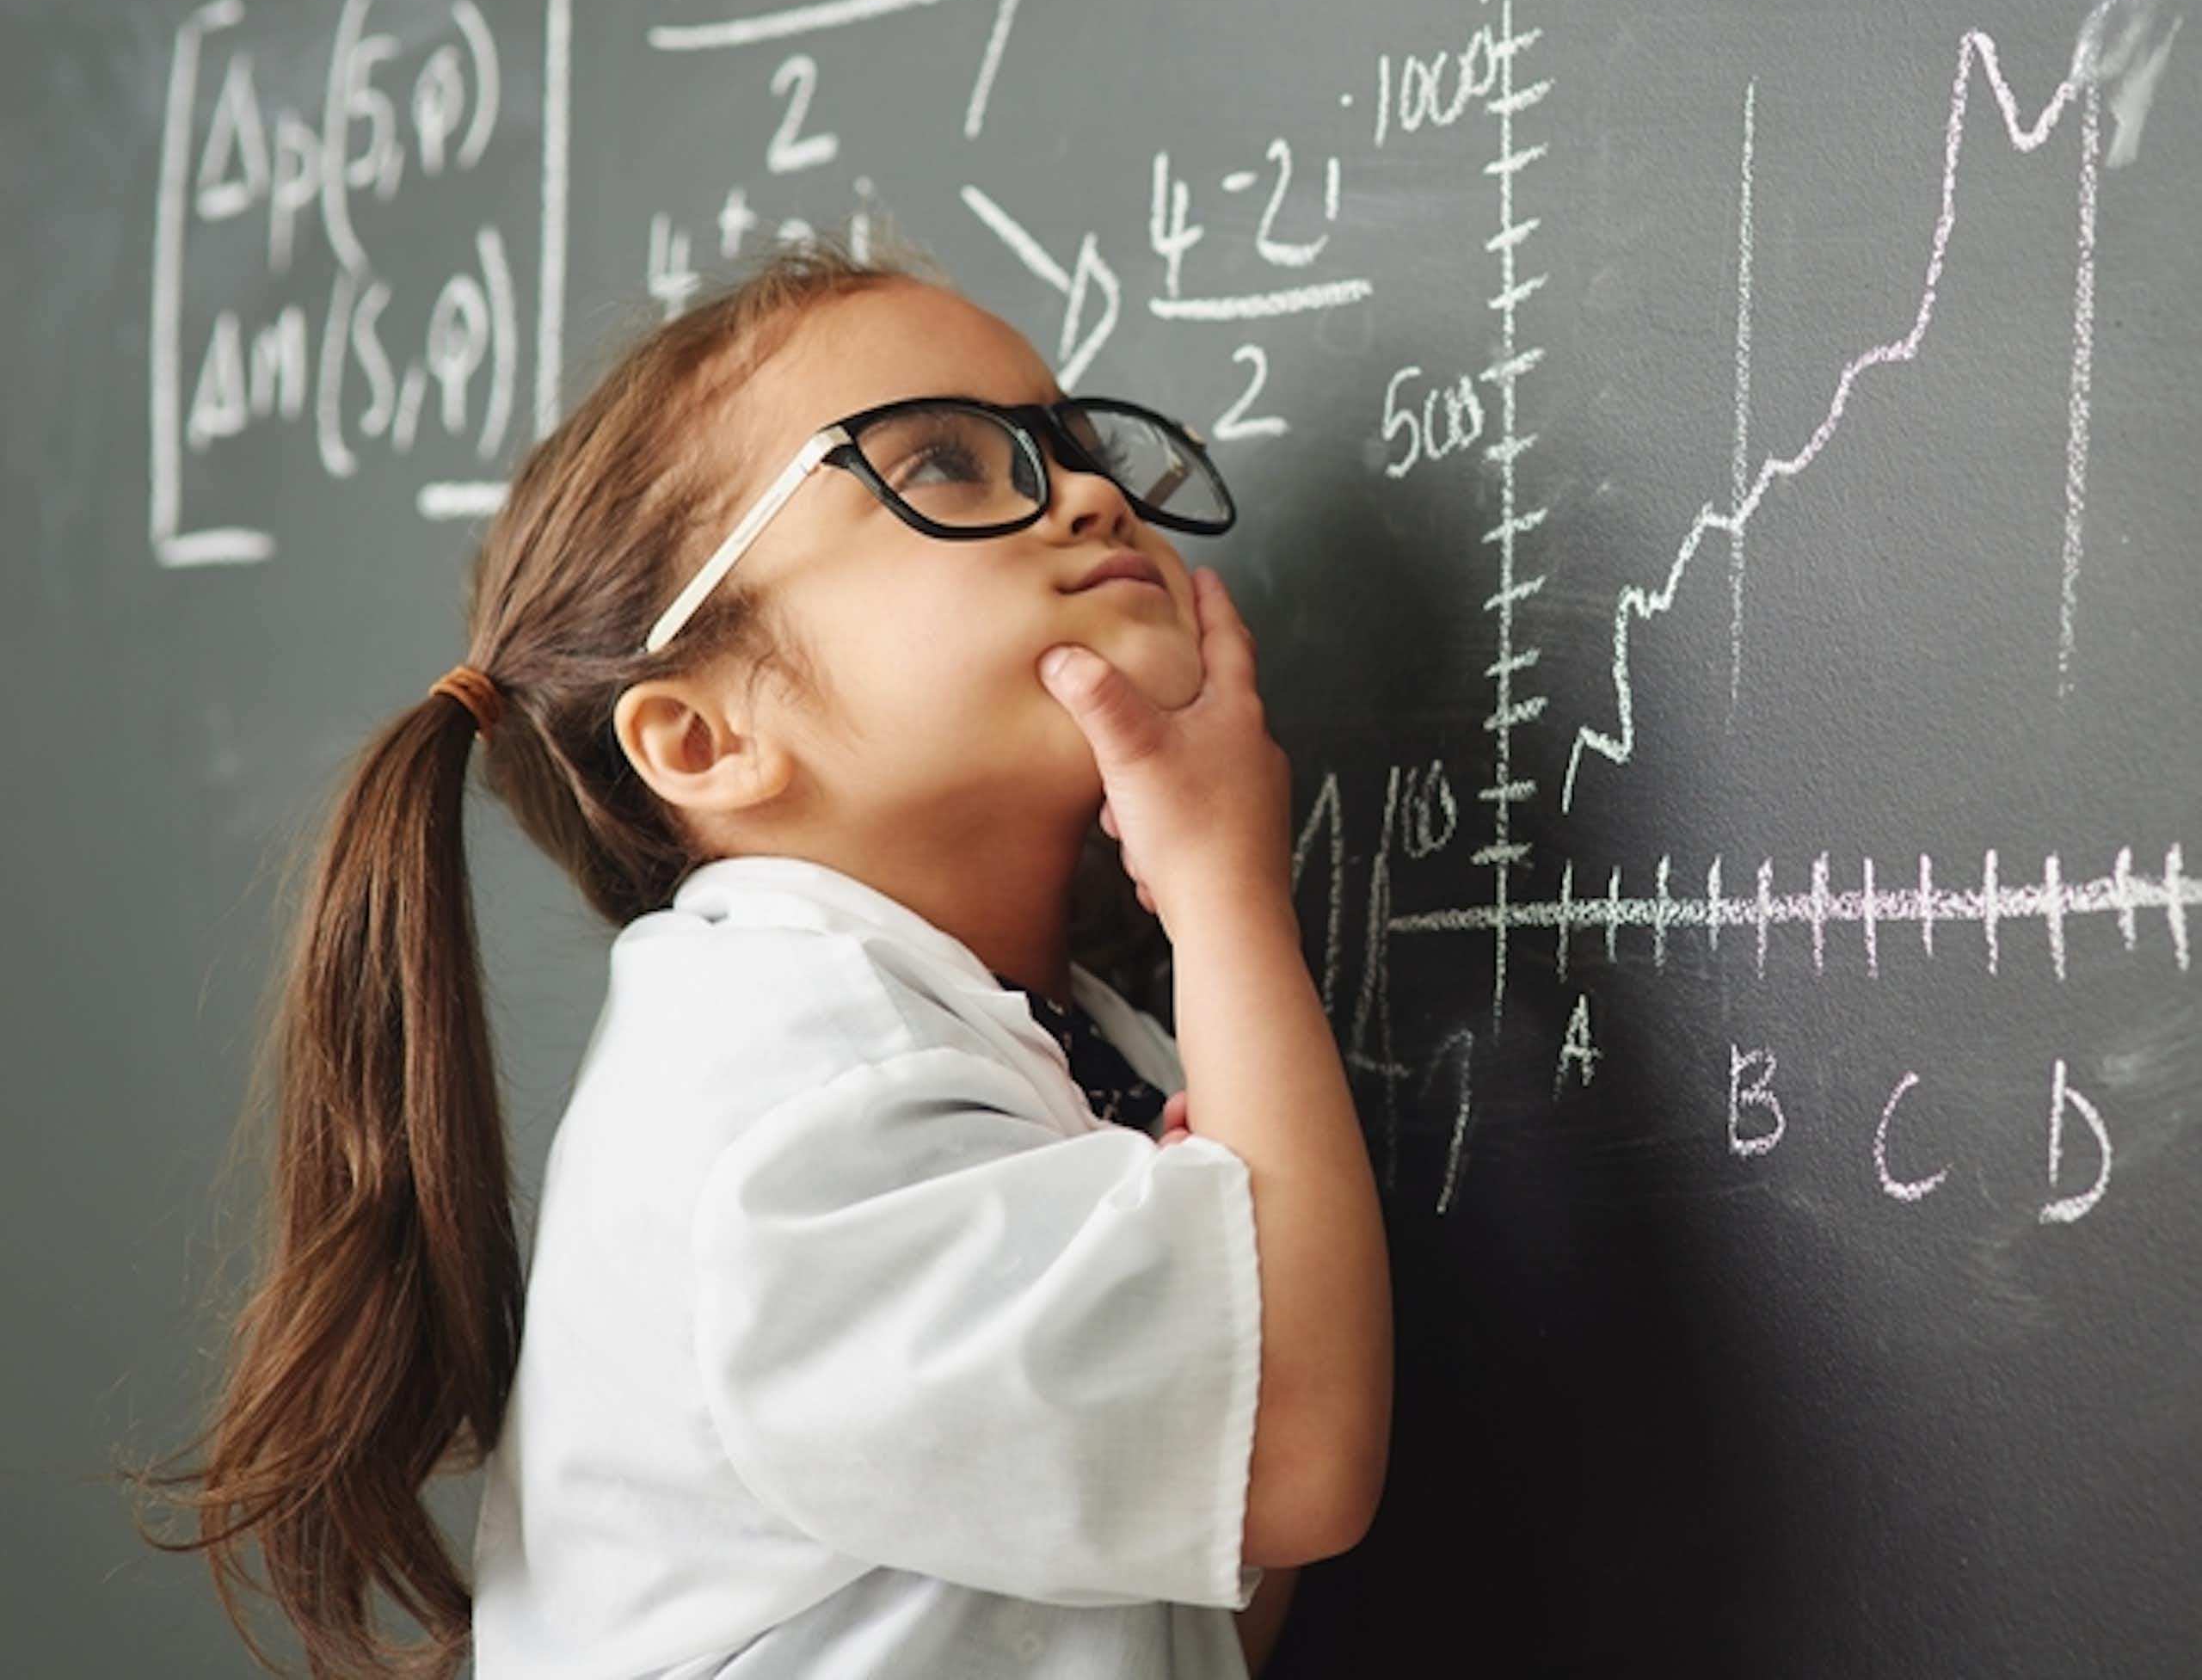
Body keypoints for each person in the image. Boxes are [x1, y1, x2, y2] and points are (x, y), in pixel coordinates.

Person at [138, 229, 1391, 1678]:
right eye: (940, 465)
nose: (1096, 492)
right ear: (704, 737)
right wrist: (1227, 884)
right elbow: (1294, 1451)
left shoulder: (1064, 1044)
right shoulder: (789, 1102)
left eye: (1071, 440)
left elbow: (1206, 1571)